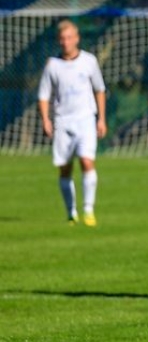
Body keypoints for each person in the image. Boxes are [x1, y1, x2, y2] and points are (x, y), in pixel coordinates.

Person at [38, 19, 107, 227]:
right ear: (59, 41)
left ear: (77, 39)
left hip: (86, 118)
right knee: (65, 169)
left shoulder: (89, 61)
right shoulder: (53, 65)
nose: (66, 42)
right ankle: (71, 212)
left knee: (87, 161)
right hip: (63, 121)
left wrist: (101, 118)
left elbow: (99, 89)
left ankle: (88, 210)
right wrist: (45, 119)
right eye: (62, 38)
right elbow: (43, 95)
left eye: (69, 37)